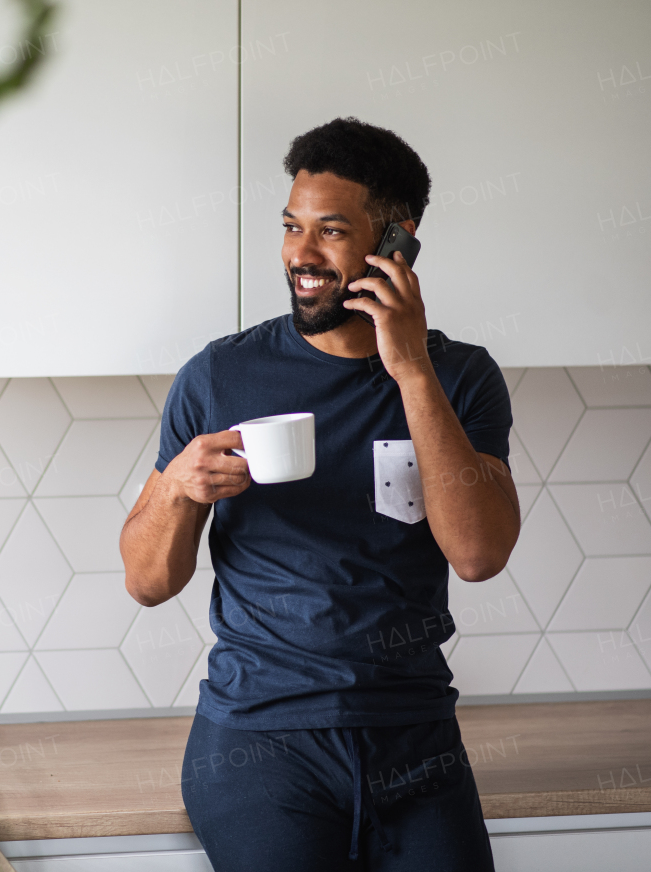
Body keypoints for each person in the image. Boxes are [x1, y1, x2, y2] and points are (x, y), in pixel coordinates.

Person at [119, 117, 520, 871]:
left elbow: (479, 554)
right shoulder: (218, 376)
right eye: (291, 227)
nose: (300, 255)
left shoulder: (461, 377)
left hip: (417, 737)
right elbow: (146, 582)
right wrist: (181, 490)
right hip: (259, 744)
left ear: (396, 238)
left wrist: (410, 370)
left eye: (330, 231)